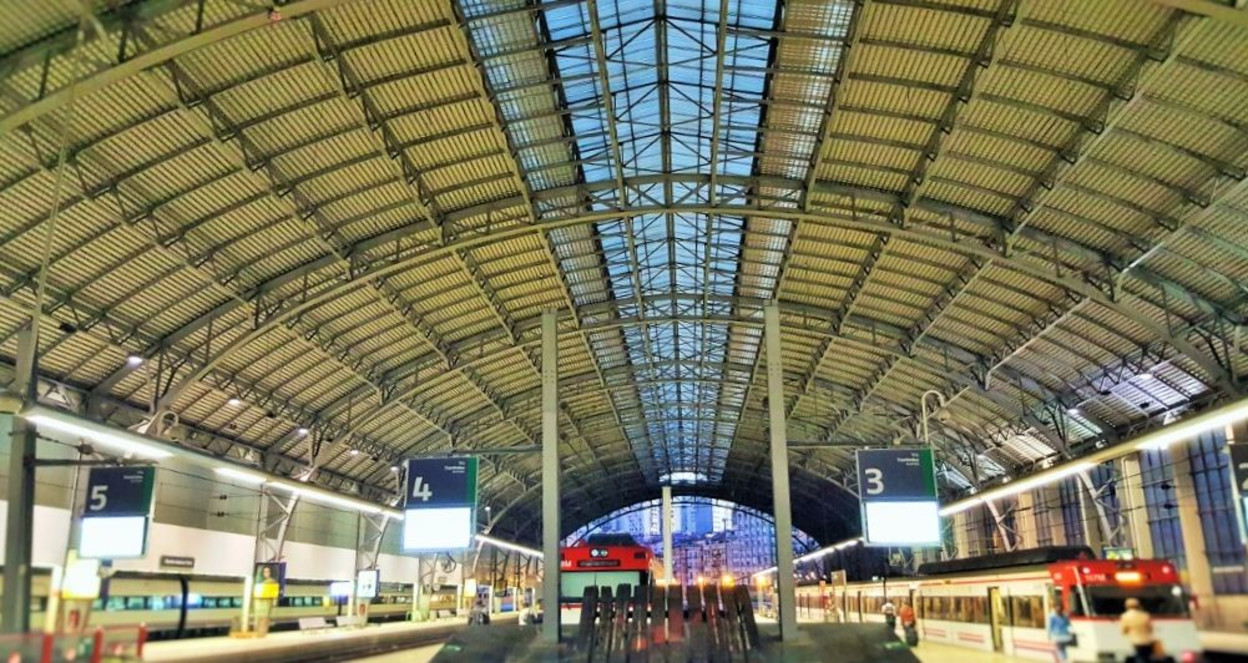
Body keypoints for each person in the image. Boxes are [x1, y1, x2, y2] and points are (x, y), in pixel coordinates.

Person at [1120, 598, 1154, 662]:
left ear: (1127, 606)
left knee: (1139, 657)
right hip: (1147, 640)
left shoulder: (1125, 616)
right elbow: (1150, 628)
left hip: (1135, 641)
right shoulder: (1145, 615)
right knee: (1146, 658)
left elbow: (1124, 630)